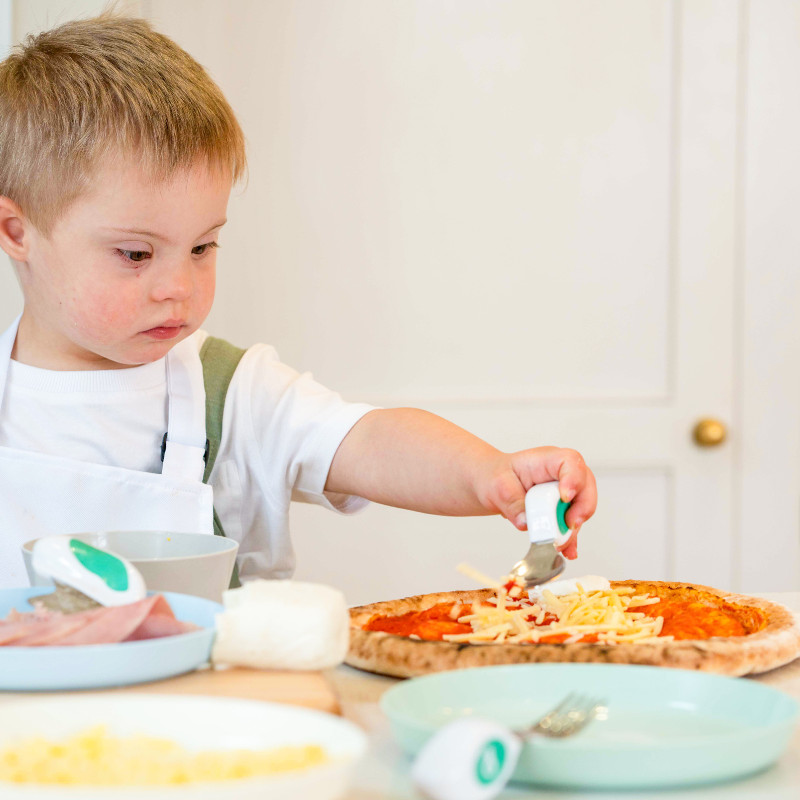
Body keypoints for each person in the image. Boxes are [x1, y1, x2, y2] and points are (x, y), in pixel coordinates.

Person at [0, 14, 596, 588]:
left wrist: (487, 472)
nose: (178, 286)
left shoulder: (231, 392)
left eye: (203, 246)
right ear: (17, 232)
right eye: (136, 254)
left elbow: (369, 441)